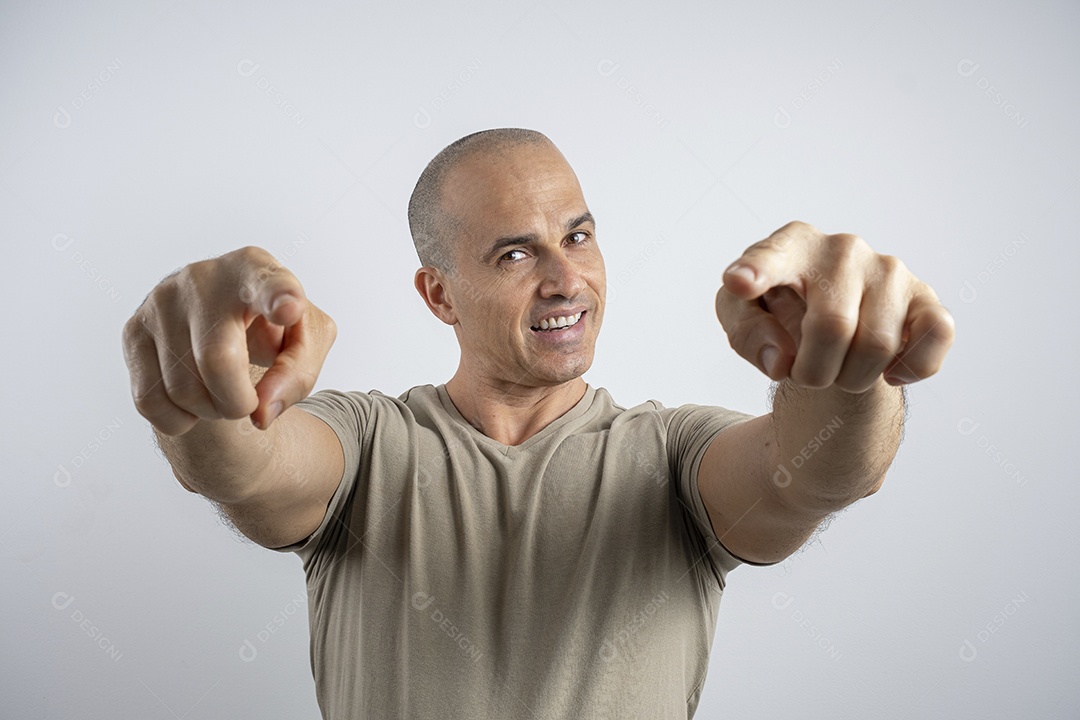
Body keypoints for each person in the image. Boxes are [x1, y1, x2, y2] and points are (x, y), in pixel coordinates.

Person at [121, 128, 954, 719]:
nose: (567, 279)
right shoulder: (368, 446)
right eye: (515, 253)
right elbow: (247, 466)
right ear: (440, 294)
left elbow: (814, 473)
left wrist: (843, 376)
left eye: (578, 236)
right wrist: (205, 390)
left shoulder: (670, 458)